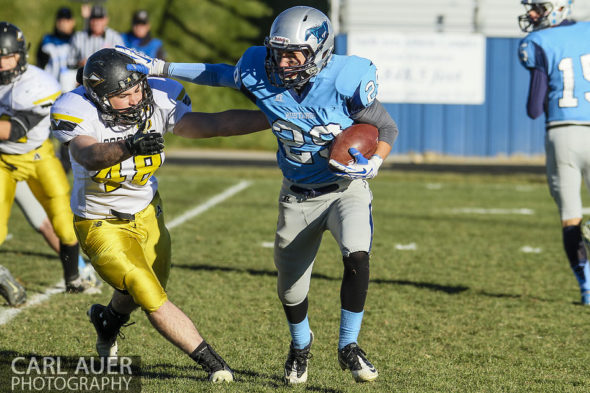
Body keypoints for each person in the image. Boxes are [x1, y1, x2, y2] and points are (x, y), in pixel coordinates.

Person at [118, 5, 399, 384]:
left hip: (344, 188)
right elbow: (219, 74)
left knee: (357, 254)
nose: (283, 61)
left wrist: (374, 162)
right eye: (278, 51)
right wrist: (160, 67)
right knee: (291, 289)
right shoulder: (258, 69)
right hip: (297, 194)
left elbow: (386, 127)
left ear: (320, 51)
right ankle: (300, 346)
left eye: (293, 53)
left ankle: (349, 346)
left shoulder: (345, 78)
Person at [49, 48, 268, 382]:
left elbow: (215, 123)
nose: (136, 99)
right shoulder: (75, 109)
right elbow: (88, 155)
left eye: (138, 89)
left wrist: (275, 116)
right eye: (124, 95)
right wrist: (128, 147)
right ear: (99, 96)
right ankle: (214, 363)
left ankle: (107, 321)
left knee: (145, 286)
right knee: (146, 290)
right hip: (100, 221)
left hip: (149, 211)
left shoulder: (158, 98)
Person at [0, 22, 96, 303]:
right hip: (3, 160)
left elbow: (15, 130)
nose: (3, 64)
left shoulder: (38, 84)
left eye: (8, 57)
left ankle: (73, 278)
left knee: (64, 221)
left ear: (20, 55)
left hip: (38, 155)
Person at [518, 0, 590, 305]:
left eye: (538, 7)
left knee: (569, 217)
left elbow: (534, 109)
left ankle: (586, 286)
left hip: (563, 135)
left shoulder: (537, 42)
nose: (531, 14)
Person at [37, 6, 77, 92]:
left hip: (72, 89)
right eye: (60, 20)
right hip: (51, 88)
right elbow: (40, 63)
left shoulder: (78, 39)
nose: (63, 23)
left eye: (66, 20)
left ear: (72, 22)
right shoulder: (47, 40)